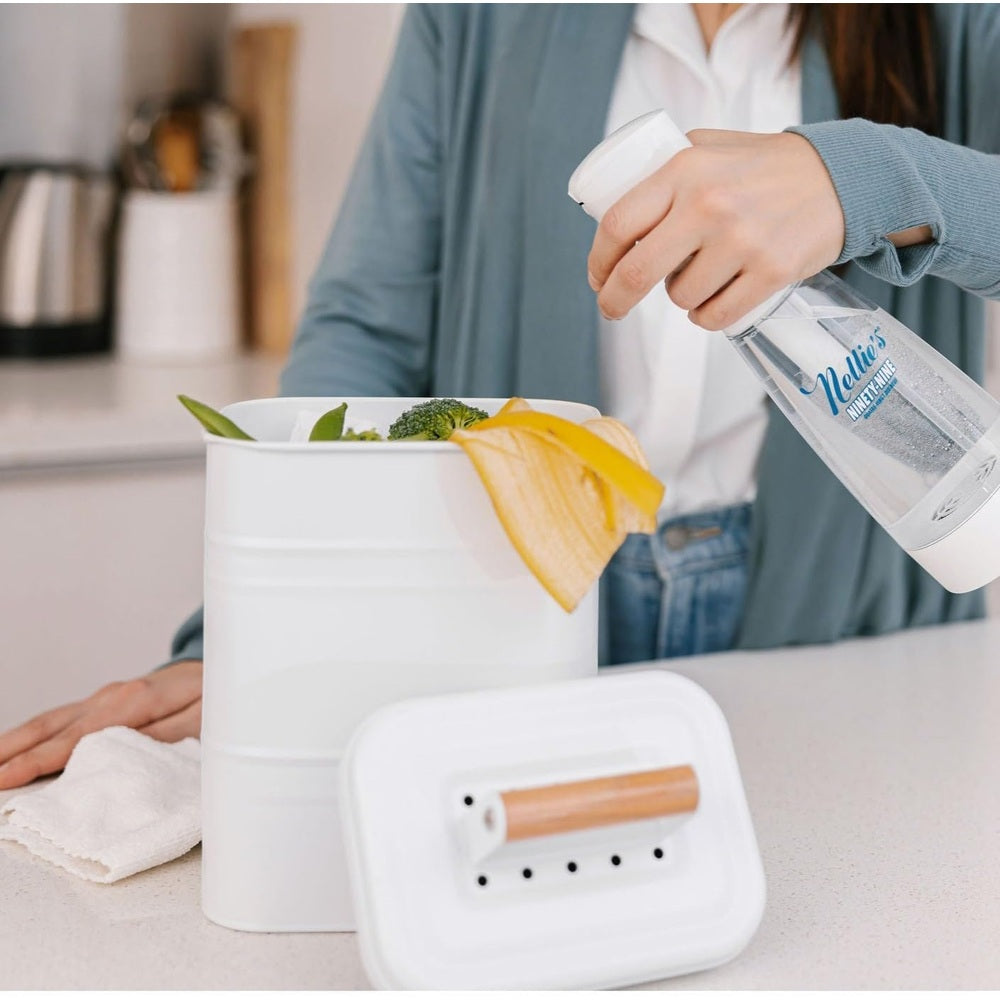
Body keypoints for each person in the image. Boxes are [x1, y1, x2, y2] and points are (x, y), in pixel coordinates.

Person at [2, 3, 999, 790]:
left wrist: (873, 178)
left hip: (863, 643)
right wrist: (259, 640)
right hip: (515, 614)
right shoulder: (478, 10)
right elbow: (369, 333)